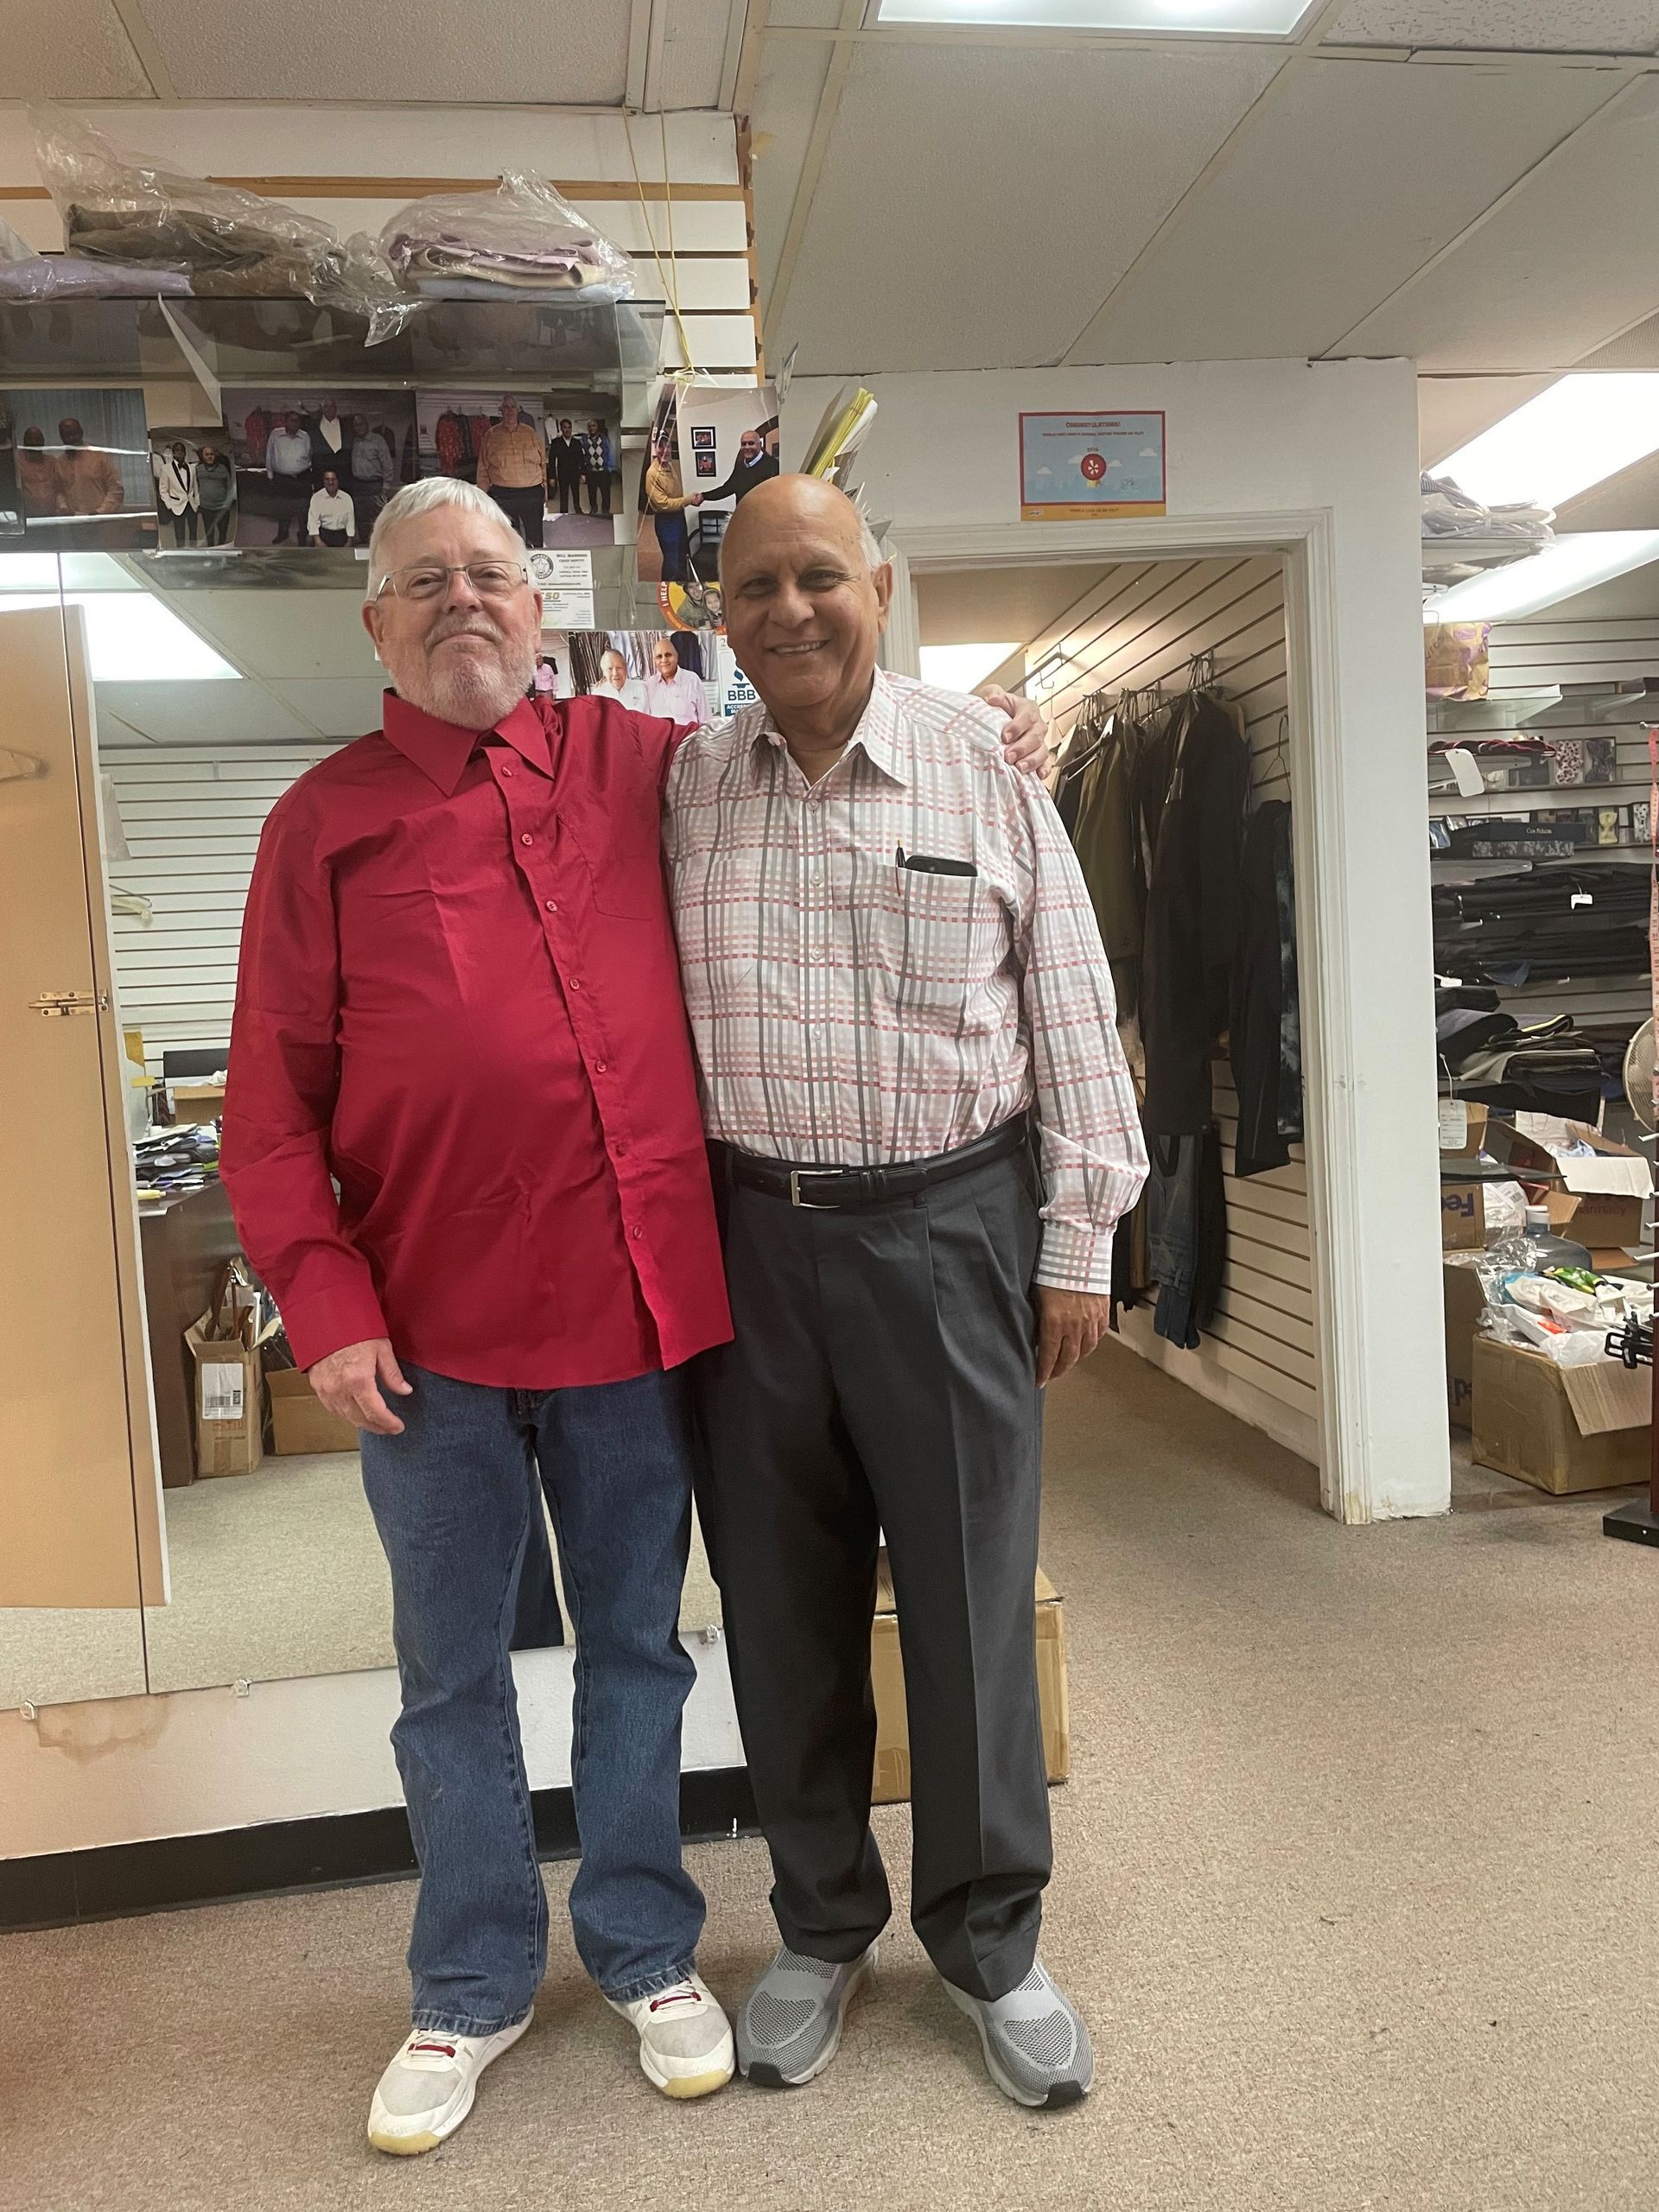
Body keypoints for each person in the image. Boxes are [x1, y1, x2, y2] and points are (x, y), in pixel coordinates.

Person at [219, 475, 1047, 2156]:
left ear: (543, 606)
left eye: (494, 575)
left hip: (633, 1316)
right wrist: (321, 1299)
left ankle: (650, 1947)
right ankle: (467, 1982)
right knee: (450, 1675)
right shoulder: (321, 823)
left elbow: (817, 728)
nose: (466, 601)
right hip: (423, 1343)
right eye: (425, 581)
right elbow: (270, 1105)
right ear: (374, 622)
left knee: (639, 1655)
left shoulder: (643, 761)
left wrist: (977, 726)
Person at [667, 474, 1147, 2113]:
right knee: (785, 1613)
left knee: (965, 1609)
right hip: (749, 1248)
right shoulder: (680, 788)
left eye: (820, 578)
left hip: (951, 1231)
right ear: (714, 612)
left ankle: (995, 1940)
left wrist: (1079, 1239)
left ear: (881, 581)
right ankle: (817, 1929)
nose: (789, 611)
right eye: (754, 588)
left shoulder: (986, 768)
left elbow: (1074, 1010)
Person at [474, 397, 548, 549]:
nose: (509, 411)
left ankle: (535, 568)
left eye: (512, 407)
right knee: (507, 538)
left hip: (531, 493)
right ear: (501, 411)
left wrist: (545, 489)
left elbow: (543, 464)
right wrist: (482, 496)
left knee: (535, 538)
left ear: (518, 410)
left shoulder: (530, 433)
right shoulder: (491, 435)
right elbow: (482, 468)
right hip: (503, 494)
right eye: (506, 407)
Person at [644, 437, 699, 585]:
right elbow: (663, 504)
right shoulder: (652, 474)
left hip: (678, 517)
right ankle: (668, 593)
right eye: (661, 447)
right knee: (672, 562)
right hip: (666, 521)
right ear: (656, 450)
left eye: (667, 446)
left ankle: (683, 591)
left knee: (682, 557)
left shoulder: (669, 465)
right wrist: (688, 500)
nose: (665, 450)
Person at [54, 418, 124, 516]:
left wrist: (101, 512)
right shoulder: (59, 463)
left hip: (101, 521)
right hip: (72, 522)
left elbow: (116, 489)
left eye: (73, 433)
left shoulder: (99, 457)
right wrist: (63, 508)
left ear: (81, 432)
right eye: (66, 434)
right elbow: (58, 492)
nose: (70, 438)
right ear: (61, 436)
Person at [266, 409, 313, 545]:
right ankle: (283, 534)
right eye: (292, 420)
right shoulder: (275, 435)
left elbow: (310, 455)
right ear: (285, 421)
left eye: (297, 421)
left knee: (303, 510)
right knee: (284, 508)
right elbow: (269, 455)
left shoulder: (305, 436)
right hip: (282, 478)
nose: (295, 423)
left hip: (302, 477)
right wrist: (270, 475)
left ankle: (303, 536)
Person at [702, 425, 779, 508]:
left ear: (760, 445)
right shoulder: (741, 466)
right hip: (742, 517)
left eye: (751, 443)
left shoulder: (772, 465)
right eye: (743, 444)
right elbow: (727, 489)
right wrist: (703, 496)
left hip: (763, 518)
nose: (747, 447)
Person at [347, 412, 396, 542]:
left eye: (361, 424)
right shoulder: (355, 441)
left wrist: (385, 488)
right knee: (361, 517)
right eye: (356, 425)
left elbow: (388, 465)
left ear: (367, 424)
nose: (359, 427)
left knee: (377, 518)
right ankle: (364, 543)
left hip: (375, 485)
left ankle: (377, 546)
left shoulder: (378, 440)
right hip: (358, 485)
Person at [644, 635, 704, 725]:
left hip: (689, 738)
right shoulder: (649, 685)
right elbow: (646, 722)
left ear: (676, 657)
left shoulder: (692, 680)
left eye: (668, 655)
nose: (664, 660)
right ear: (654, 661)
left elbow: (706, 720)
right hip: (661, 739)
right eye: (659, 656)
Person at [152, 440, 199, 546]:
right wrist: (170, 505)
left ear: (185, 452)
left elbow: (195, 486)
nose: (180, 453)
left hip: (191, 504)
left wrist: (197, 502)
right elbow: (163, 490)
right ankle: (181, 554)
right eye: (177, 450)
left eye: (182, 450)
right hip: (176, 505)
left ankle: (195, 552)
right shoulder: (165, 468)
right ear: (173, 453)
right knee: (179, 533)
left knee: (193, 532)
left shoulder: (191, 468)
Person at [194, 441, 236, 546]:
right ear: (203, 456)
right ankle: (213, 557)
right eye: (207, 454)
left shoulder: (223, 469)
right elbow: (194, 487)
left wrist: (227, 505)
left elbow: (230, 487)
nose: (209, 457)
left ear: (215, 455)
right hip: (206, 508)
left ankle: (222, 556)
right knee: (209, 536)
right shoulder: (198, 470)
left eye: (211, 454)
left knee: (223, 535)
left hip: (222, 508)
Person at [589, 644, 648, 712]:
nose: (615, 673)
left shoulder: (641, 688)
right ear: (604, 672)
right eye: (610, 669)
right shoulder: (598, 693)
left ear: (626, 668)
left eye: (619, 668)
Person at [16, 425, 60, 517]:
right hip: (26, 517)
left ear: (43, 441)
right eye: (31, 439)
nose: (34, 442)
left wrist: (62, 508)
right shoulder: (16, 461)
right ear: (24, 442)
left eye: (38, 439)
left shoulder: (52, 461)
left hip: (52, 516)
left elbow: (60, 488)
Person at [307, 468, 356, 547]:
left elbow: (350, 521)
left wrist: (349, 541)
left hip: (342, 535)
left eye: (333, 479)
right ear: (323, 481)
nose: (330, 482)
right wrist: (318, 541)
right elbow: (313, 521)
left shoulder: (346, 498)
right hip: (324, 535)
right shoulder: (317, 498)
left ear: (338, 481)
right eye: (327, 479)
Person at [548, 417, 585, 516]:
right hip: (562, 473)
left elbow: (581, 459)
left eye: (569, 427)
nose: (567, 430)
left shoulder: (576, 443)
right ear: (561, 429)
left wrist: (583, 474)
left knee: (576, 493)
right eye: (565, 427)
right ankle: (563, 512)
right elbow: (552, 461)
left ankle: (578, 509)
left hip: (575, 473)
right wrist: (552, 477)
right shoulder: (556, 442)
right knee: (563, 494)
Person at [308, 397, 350, 476]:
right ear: (322, 409)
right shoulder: (312, 426)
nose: (329, 409)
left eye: (332, 406)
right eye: (326, 406)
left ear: (336, 408)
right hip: (321, 470)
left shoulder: (347, 425)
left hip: (343, 470)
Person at [580, 418, 613, 518]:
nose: (591, 428)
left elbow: (610, 452)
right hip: (591, 471)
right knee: (592, 492)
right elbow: (581, 455)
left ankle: (605, 510)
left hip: (603, 471)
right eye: (589, 426)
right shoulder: (584, 439)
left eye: (594, 425)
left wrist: (610, 467)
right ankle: (593, 509)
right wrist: (583, 472)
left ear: (597, 427)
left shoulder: (604, 438)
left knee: (606, 492)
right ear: (587, 428)